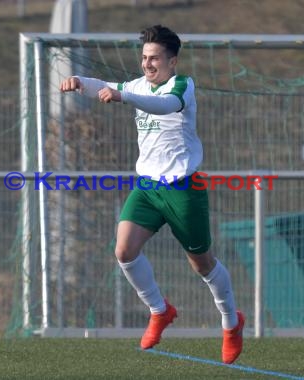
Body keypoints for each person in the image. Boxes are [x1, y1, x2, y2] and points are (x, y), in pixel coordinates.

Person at [60, 24, 244, 364]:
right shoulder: (136, 85)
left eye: (154, 58)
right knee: (124, 250)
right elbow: (107, 86)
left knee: (202, 265)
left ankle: (231, 323)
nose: (147, 64)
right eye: (144, 57)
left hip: (183, 189)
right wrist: (80, 83)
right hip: (147, 187)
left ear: (172, 62)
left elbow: (164, 106)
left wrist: (123, 96)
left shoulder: (181, 85)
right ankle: (160, 310)